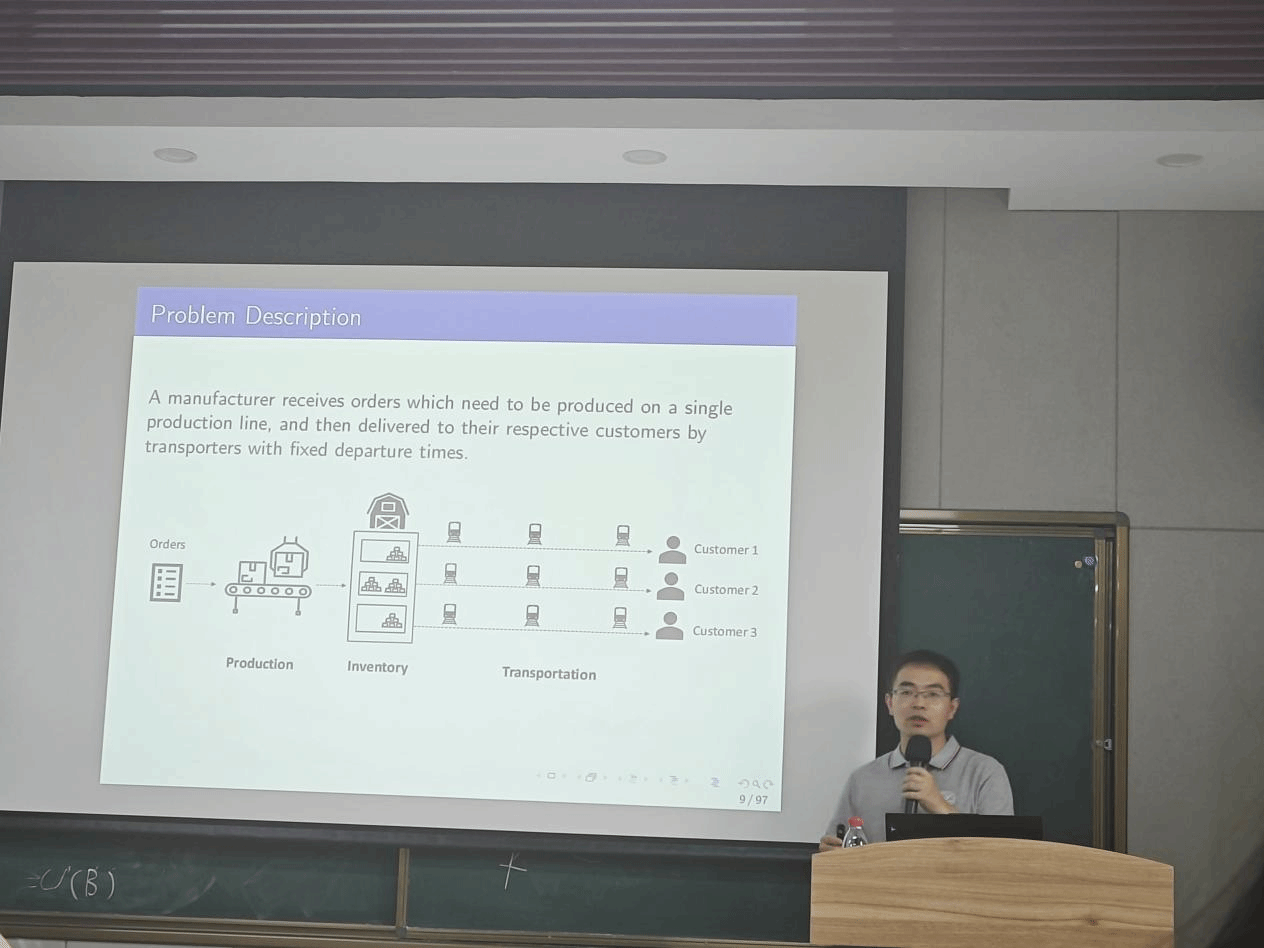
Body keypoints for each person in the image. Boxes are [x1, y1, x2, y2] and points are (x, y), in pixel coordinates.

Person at [820, 649, 1013, 848]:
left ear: (952, 708)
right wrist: (832, 852)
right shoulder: (862, 779)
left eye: (932, 694)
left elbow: (1003, 851)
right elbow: (839, 844)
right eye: (906, 692)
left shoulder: (985, 772)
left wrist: (941, 806)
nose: (919, 703)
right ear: (890, 703)